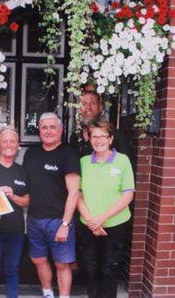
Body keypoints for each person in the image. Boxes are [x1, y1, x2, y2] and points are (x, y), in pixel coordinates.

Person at [23, 112, 80, 298]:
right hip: (34, 218)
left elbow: (74, 192)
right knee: (38, 259)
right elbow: (26, 188)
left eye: (52, 127)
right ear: (39, 130)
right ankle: (48, 294)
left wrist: (65, 224)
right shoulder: (31, 153)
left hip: (59, 221)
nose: (48, 131)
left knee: (62, 264)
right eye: (44, 127)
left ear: (61, 130)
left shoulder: (68, 153)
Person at [77, 118, 134, 298]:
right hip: (89, 225)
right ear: (90, 139)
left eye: (103, 136)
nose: (98, 140)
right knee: (90, 267)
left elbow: (127, 195)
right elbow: (77, 195)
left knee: (110, 269)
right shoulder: (83, 162)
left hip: (116, 225)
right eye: (95, 136)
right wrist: (92, 222)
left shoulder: (122, 161)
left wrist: (101, 219)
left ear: (110, 139)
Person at [0, 126, 29, 298]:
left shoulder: (22, 170)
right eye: (5, 141)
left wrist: (13, 196)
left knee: (12, 270)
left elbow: (28, 200)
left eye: (12, 141)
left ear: (18, 146)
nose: (8, 144)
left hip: (15, 231)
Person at [69, 90, 130, 158]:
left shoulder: (115, 135)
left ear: (100, 107)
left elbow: (125, 163)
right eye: (84, 104)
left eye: (93, 103)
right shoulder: (75, 137)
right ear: (79, 109)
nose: (88, 107)